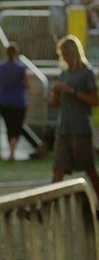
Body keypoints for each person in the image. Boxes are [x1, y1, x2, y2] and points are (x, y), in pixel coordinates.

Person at [49, 35, 99, 205]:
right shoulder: (64, 74)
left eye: (67, 54)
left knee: (89, 169)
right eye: (62, 55)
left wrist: (73, 91)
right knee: (58, 169)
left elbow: (94, 101)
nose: (65, 58)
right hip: (64, 128)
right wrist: (55, 93)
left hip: (80, 129)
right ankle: (46, 207)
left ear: (75, 53)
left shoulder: (86, 74)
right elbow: (56, 105)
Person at [0, 42, 29, 162]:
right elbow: (27, 84)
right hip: (19, 102)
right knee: (17, 127)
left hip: (4, 101)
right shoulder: (21, 68)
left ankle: (11, 150)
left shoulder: (0, 67)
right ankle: (13, 150)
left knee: (9, 127)